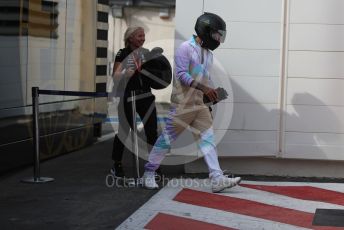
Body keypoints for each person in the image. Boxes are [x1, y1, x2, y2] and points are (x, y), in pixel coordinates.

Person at [141, 12, 241, 193]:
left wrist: (212, 96)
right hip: (182, 105)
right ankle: (149, 173)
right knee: (166, 140)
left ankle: (217, 178)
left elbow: (205, 79)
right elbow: (181, 75)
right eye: (217, 35)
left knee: (208, 140)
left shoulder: (208, 54)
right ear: (206, 31)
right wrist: (204, 89)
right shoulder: (185, 48)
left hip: (199, 105)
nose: (219, 39)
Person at [110, 26, 158, 178]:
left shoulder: (146, 53)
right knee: (124, 132)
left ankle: (153, 168)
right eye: (139, 36)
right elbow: (115, 76)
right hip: (129, 97)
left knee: (152, 132)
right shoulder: (122, 53)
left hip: (146, 97)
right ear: (130, 38)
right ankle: (117, 164)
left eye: (143, 36)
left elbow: (157, 75)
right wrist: (125, 73)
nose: (143, 38)